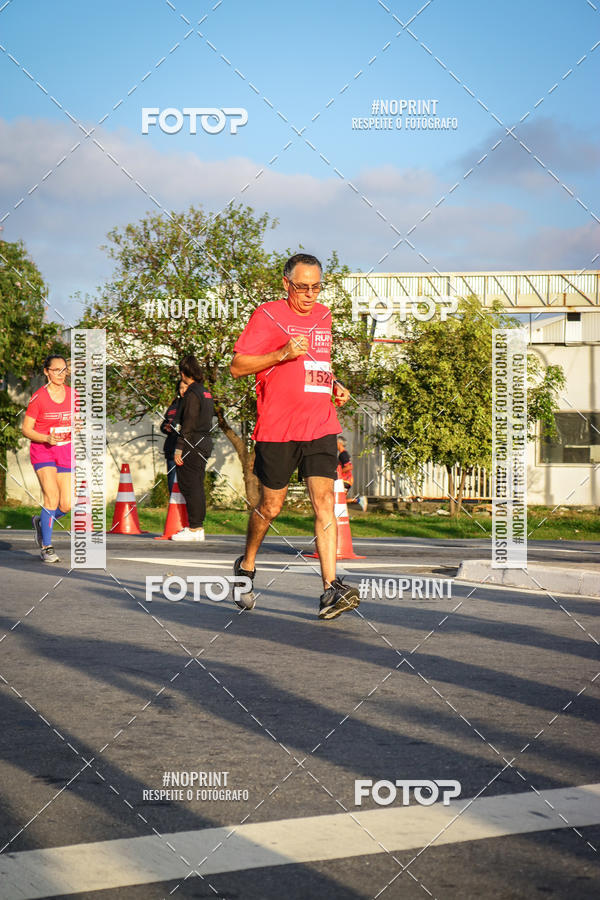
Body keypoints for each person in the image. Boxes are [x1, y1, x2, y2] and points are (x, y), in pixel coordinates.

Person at [230, 252, 360, 620]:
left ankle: (330, 589)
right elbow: (238, 366)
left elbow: (318, 365)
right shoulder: (267, 314)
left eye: (316, 287)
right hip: (278, 428)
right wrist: (281, 353)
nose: (310, 294)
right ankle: (247, 565)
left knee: (325, 502)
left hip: (320, 424)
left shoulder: (324, 315)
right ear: (286, 284)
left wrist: (335, 385)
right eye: (302, 287)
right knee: (271, 507)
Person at [21, 355, 73, 563]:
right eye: (56, 370)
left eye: (64, 370)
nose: (61, 374)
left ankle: (42, 522)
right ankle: (47, 547)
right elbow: (26, 429)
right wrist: (46, 438)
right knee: (51, 496)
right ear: (46, 372)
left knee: (66, 504)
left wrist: (76, 427)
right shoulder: (39, 398)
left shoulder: (73, 395)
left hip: (65, 451)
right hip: (43, 450)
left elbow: (75, 420)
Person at [171, 355, 214, 541]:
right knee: (196, 483)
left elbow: (188, 423)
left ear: (183, 373)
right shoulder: (205, 392)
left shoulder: (191, 394)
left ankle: (195, 528)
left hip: (192, 442)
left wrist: (180, 447)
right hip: (204, 441)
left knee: (189, 484)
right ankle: (197, 527)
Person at [160, 380, 188, 494]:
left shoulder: (192, 405)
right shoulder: (174, 405)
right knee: (172, 479)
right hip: (171, 447)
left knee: (186, 480)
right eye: (181, 388)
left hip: (186, 448)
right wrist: (166, 427)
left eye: (186, 388)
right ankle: (174, 507)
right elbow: (165, 423)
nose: (183, 391)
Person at [337, 436, 367, 511]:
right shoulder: (344, 453)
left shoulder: (343, 454)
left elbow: (349, 467)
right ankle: (359, 501)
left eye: (336, 443)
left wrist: (339, 473)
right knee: (340, 500)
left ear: (339, 443)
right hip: (346, 480)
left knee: (340, 500)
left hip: (345, 480)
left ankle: (360, 500)